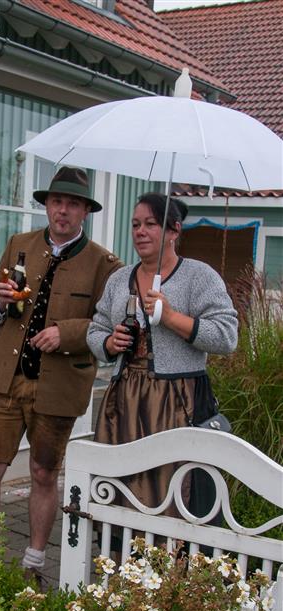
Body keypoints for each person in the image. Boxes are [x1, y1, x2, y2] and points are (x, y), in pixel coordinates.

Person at [0, 166, 121, 583]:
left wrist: (66, 333)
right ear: (47, 205)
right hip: (5, 380)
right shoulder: (19, 245)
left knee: (43, 474)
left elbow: (110, 325)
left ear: (85, 211)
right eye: (56, 202)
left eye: (72, 204)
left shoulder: (105, 264)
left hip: (57, 387)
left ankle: (33, 563)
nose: (62, 210)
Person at [87, 192, 238, 516]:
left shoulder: (198, 276)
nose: (140, 231)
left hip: (177, 402)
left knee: (171, 490)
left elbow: (226, 337)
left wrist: (171, 318)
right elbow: (95, 328)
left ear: (174, 230)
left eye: (151, 224)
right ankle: (122, 548)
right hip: (124, 402)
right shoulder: (119, 279)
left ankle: (170, 550)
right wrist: (110, 343)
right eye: (135, 225)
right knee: (122, 486)